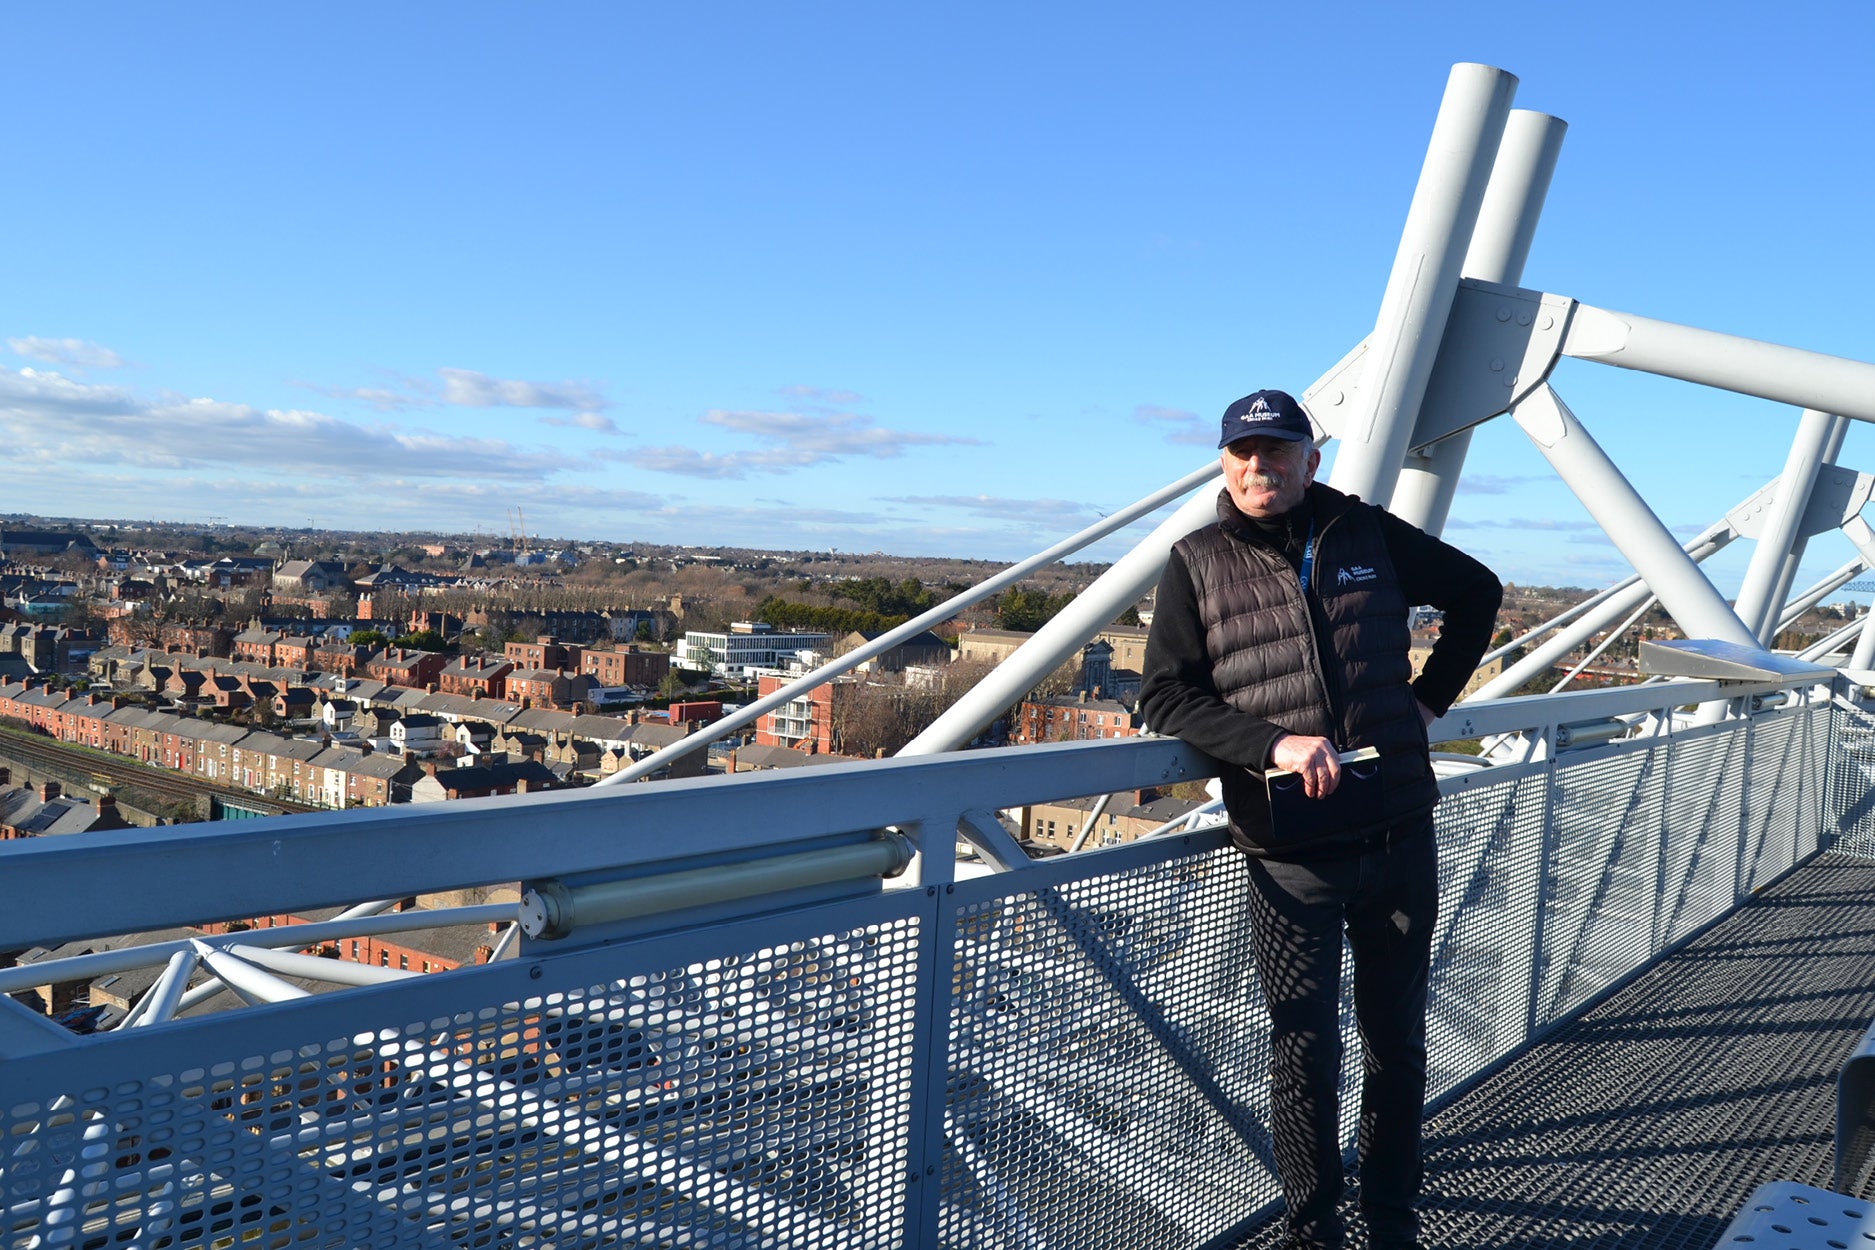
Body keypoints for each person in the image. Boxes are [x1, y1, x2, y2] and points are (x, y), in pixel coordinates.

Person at [1139, 389, 1501, 1250]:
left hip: (1398, 831)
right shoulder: (1194, 561)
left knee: (1395, 1046)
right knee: (1303, 1051)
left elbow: (1477, 592)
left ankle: (1389, 1223)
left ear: (1311, 459)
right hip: (1288, 849)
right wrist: (1271, 744)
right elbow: (1163, 694)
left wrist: (1427, 700)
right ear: (1224, 463)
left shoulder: (1368, 534)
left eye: (1276, 452)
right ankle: (1313, 1232)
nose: (1258, 467)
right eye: (1242, 454)